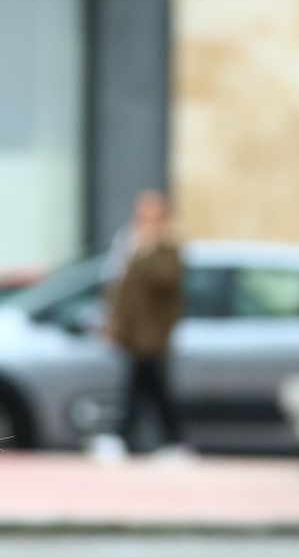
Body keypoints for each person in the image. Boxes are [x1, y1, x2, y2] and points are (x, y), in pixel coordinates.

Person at [104, 189, 187, 456]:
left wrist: (146, 252)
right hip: (132, 334)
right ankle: (169, 441)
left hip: (153, 336)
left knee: (142, 387)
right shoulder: (129, 245)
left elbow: (164, 282)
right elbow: (120, 288)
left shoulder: (167, 250)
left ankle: (132, 438)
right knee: (146, 388)